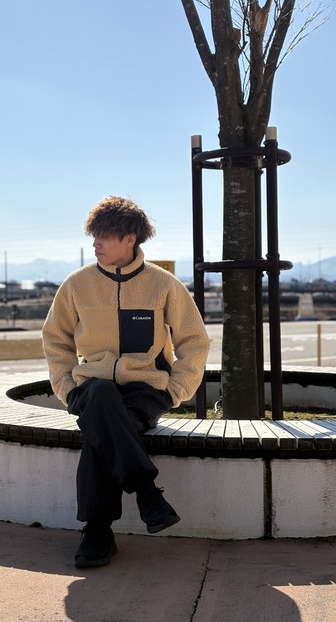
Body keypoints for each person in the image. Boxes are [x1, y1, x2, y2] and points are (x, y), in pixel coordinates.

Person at [42, 196, 210, 568]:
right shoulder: (77, 285)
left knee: (100, 432)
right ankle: (147, 492)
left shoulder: (163, 285)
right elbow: (55, 339)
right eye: (94, 236)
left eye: (104, 236)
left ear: (130, 239)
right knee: (101, 394)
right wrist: (66, 386)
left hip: (144, 391)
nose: (95, 244)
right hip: (90, 388)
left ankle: (97, 531)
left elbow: (194, 340)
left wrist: (176, 389)